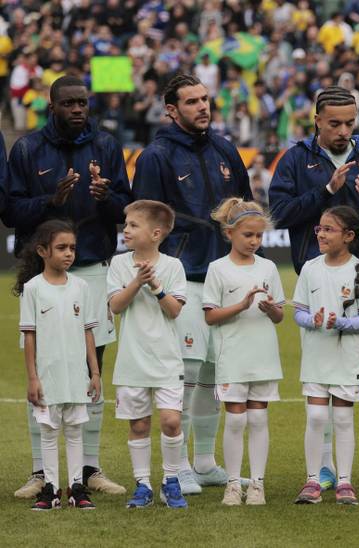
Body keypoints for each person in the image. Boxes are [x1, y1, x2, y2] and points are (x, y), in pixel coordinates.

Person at [269, 86, 359, 490]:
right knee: (325, 373)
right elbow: (279, 214)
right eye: (334, 123)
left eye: (350, 123)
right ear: (316, 121)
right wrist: (326, 191)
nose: (343, 131)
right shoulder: (295, 159)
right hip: (318, 281)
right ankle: (327, 467)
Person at [6, 75, 131, 499]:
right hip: (40, 272)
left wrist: (106, 197)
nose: (78, 110)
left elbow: (125, 208)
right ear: (52, 105)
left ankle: (89, 468)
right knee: (42, 366)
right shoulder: (27, 149)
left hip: (93, 266)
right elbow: (10, 211)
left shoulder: (107, 145)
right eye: (69, 103)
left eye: (83, 103)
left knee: (92, 366)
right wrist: (51, 202)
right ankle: (41, 472)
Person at [132, 73, 253, 494]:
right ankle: (178, 466)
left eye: (205, 99)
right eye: (191, 101)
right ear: (171, 110)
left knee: (214, 376)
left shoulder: (224, 148)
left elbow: (244, 207)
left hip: (224, 276)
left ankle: (204, 461)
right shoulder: (156, 156)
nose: (203, 106)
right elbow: (144, 220)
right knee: (184, 374)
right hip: (183, 278)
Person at [292, 206, 359, 506]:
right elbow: (298, 312)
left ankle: (344, 482)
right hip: (316, 354)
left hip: (346, 356)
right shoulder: (310, 268)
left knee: (342, 418)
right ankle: (312, 481)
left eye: (329, 229)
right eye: (320, 228)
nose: (321, 234)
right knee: (316, 417)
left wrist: (340, 323)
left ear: (348, 236)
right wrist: (313, 320)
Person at [108, 200, 189, 510]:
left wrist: (156, 286)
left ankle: (171, 480)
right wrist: (136, 281)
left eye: (133, 225)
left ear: (156, 233)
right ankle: (142, 485)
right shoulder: (119, 264)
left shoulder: (173, 266)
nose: (126, 230)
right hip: (132, 360)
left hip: (166, 359)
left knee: (171, 421)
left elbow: (174, 310)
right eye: (126, 224)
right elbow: (116, 306)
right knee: (139, 425)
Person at [204, 198, 285, 506]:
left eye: (259, 236)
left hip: (262, 354)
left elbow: (279, 316)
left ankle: (258, 485)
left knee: (259, 419)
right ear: (229, 233)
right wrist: (241, 305)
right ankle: (233, 484)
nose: (254, 241)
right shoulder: (217, 269)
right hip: (232, 355)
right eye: (248, 235)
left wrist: (270, 309)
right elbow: (210, 316)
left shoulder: (268, 267)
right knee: (236, 420)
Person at [16, 220, 102, 511]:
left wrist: (94, 372)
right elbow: (29, 336)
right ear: (43, 251)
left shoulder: (81, 286)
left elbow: (88, 332)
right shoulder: (33, 288)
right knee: (49, 433)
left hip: (76, 376)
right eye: (62, 247)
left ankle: (76, 488)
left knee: (75, 431)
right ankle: (50, 490)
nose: (69, 253)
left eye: (72, 248)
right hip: (48, 376)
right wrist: (33, 378)